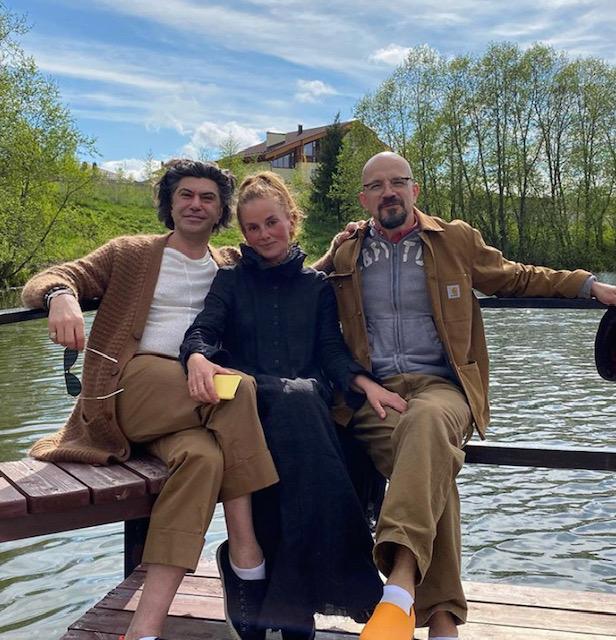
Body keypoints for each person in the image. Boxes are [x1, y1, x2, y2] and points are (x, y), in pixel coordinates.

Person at [313, 151, 616, 640]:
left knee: (428, 426)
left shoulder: (454, 239)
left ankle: (400, 585)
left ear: (414, 190)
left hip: (443, 388)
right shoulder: (347, 253)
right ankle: (443, 622)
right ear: (364, 199)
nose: (388, 192)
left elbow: (517, 276)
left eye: (398, 182)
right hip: (374, 397)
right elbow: (302, 288)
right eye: (377, 186)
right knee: (431, 469)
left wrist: (589, 286)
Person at [21, 159, 279, 640]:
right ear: (169, 203)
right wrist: (60, 296)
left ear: (220, 209)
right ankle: (247, 550)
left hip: (187, 404)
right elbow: (56, 275)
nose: (196, 204)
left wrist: (343, 246)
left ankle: (143, 630)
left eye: (207, 197)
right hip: (129, 387)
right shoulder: (131, 252)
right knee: (238, 388)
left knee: (203, 460)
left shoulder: (229, 263)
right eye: (186, 195)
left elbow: (287, 268)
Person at [179, 172, 387, 640]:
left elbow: (331, 352)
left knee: (318, 420)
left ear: (291, 220)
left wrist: (364, 383)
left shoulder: (316, 286)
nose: (263, 235)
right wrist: (195, 356)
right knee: (298, 407)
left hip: (307, 405)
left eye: (272, 222)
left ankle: (281, 599)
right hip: (252, 403)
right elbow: (204, 330)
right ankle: (328, 595)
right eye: (252, 228)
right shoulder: (230, 281)